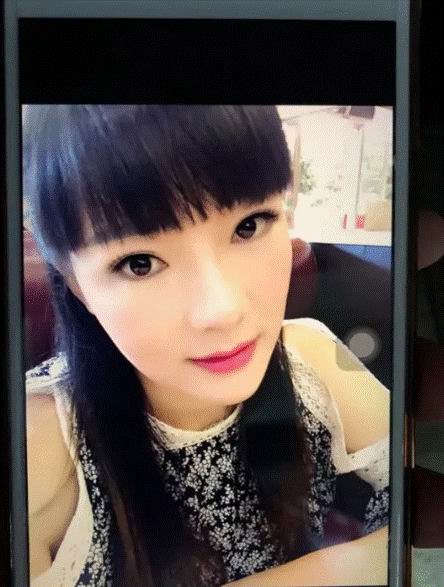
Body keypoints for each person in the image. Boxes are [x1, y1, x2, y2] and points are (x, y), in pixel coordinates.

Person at [23, 105, 390, 587]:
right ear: (75, 284)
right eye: (139, 263)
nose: (223, 310)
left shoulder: (312, 355)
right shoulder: (41, 446)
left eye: (249, 225)